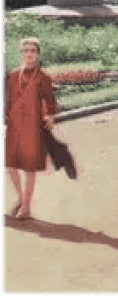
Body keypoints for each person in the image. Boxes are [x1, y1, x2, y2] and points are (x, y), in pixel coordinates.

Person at [4, 37, 58, 219]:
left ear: (38, 54)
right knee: (12, 165)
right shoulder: (13, 76)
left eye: (33, 51)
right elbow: (8, 100)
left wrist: (50, 116)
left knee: (29, 167)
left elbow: (50, 100)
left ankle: (26, 206)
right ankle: (20, 198)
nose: (29, 54)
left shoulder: (43, 77)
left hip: (33, 126)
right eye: (26, 50)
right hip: (15, 125)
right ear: (21, 54)